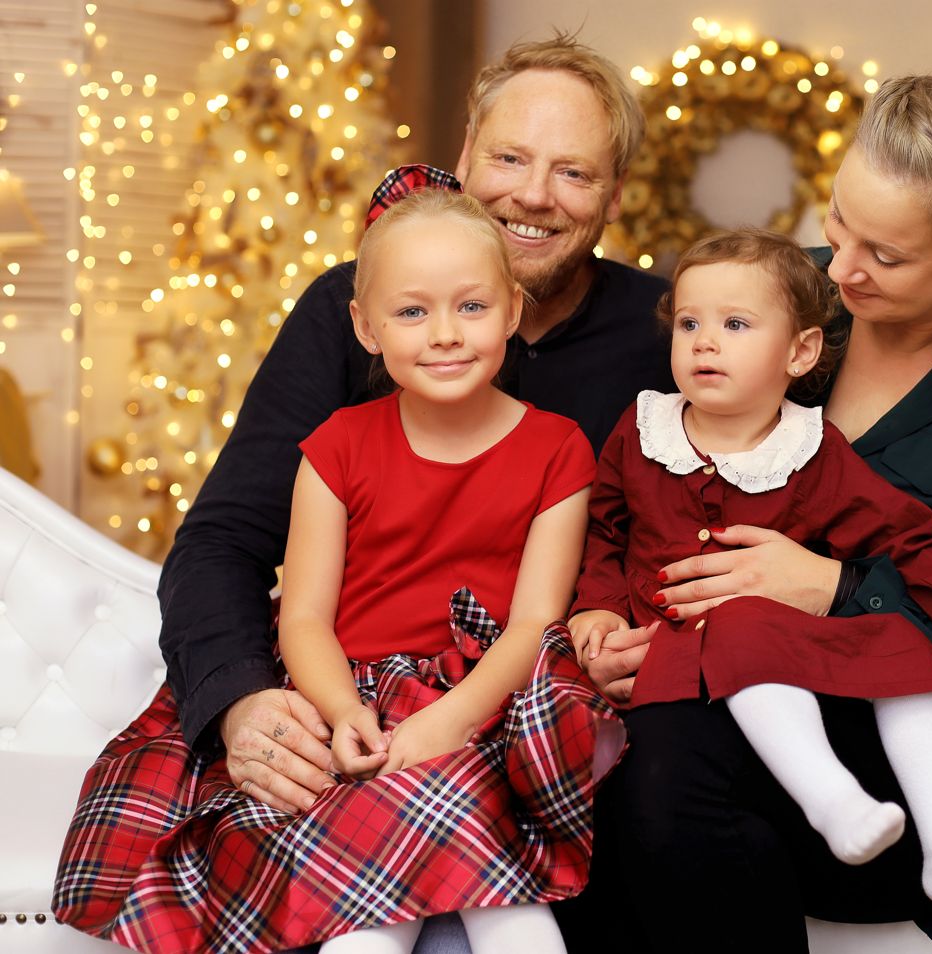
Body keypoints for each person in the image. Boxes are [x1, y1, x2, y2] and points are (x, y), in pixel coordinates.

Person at [586, 73, 932, 951]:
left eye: (889, 255)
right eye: (838, 221)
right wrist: (619, 623)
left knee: (665, 791)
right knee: (621, 774)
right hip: (751, 695)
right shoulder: (785, 299)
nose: (844, 266)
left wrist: (839, 589)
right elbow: (639, 485)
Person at [55, 187, 623, 953]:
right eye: (413, 312)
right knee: (365, 929)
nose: (446, 335)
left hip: (486, 704)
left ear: (513, 311)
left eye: (473, 308)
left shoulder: (558, 451)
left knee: (514, 916)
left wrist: (445, 723)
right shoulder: (336, 447)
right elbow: (304, 617)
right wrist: (342, 710)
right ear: (365, 327)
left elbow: (534, 625)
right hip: (353, 702)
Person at [155, 34, 672, 823]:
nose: (534, 196)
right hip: (354, 693)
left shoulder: (669, 334)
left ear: (616, 195)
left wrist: (643, 644)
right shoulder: (346, 308)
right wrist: (242, 702)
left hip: (554, 720)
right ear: (466, 155)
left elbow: (716, 516)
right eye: (510, 158)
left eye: (573, 172)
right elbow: (223, 538)